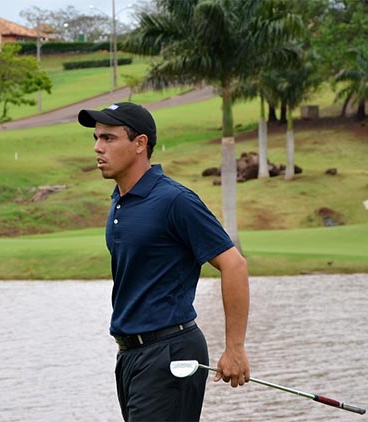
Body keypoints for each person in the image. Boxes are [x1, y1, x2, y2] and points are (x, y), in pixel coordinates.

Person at [77, 102, 251, 421]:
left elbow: (234, 265)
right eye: (96, 138)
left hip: (170, 352)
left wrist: (235, 348)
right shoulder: (120, 200)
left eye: (109, 138)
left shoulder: (174, 200)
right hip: (130, 355)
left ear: (140, 144)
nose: (97, 148)